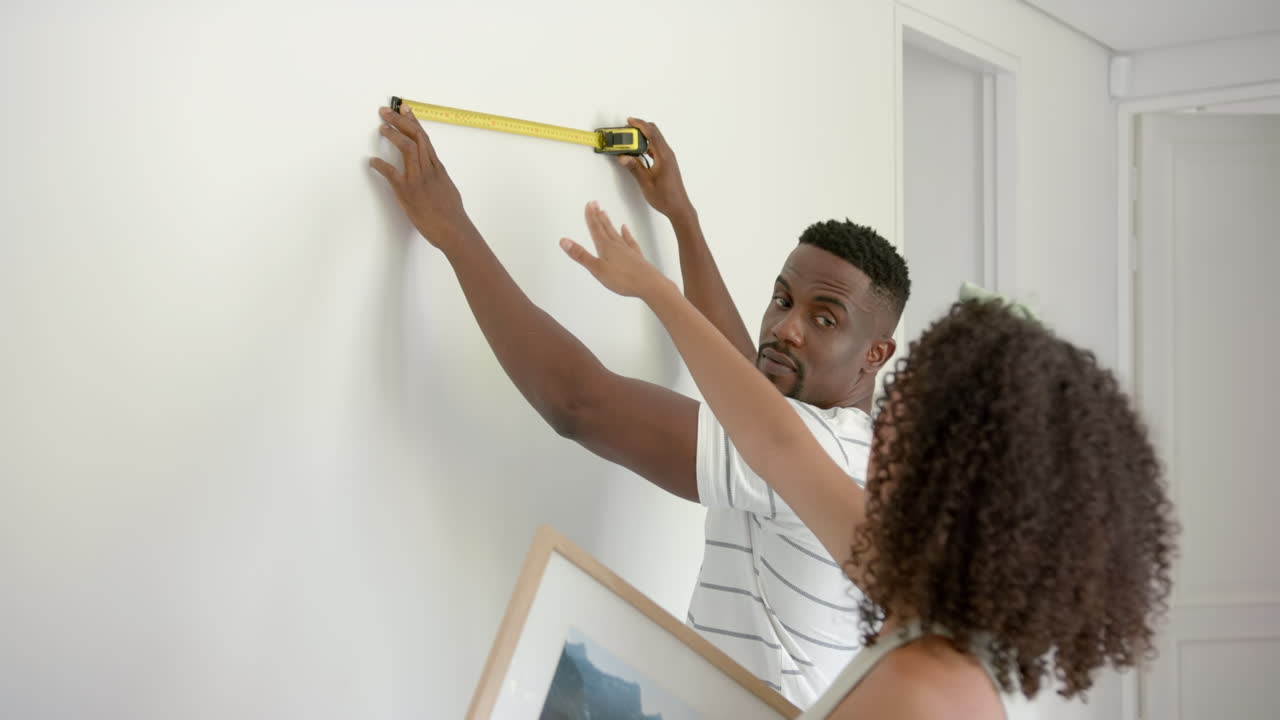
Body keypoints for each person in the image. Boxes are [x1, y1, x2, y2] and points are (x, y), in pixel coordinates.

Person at [369, 105, 910, 706]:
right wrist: (681, 217)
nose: (786, 329)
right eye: (782, 299)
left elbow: (579, 402)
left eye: (824, 318)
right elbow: (739, 381)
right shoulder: (844, 441)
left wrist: (453, 229)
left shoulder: (818, 446)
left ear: (876, 353)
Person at [560, 204, 1177, 719]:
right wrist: (661, 274)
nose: (891, 399)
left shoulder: (923, 692)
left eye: (918, 398)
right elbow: (773, 440)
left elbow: (770, 438)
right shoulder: (899, 572)